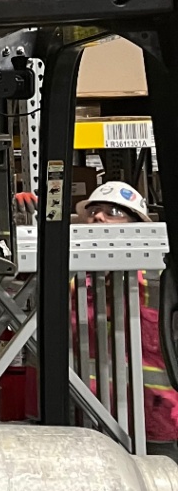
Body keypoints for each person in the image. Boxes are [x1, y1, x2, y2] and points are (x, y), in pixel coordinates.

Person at [75, 179, 178, 443]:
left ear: (138, 227)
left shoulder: (161, 284)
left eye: (113, 213)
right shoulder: (73, 283)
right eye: (93, 211)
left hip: (161, 425)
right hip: (91, 423)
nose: (98, 217)